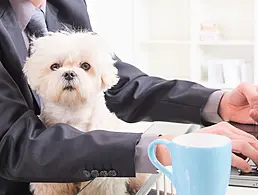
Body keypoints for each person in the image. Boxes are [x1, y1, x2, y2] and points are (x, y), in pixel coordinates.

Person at [0, 0, 258, 194]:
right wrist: (162, 148)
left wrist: (217, 102)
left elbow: (118, 83)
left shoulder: (66, 4)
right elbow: (15, 144)